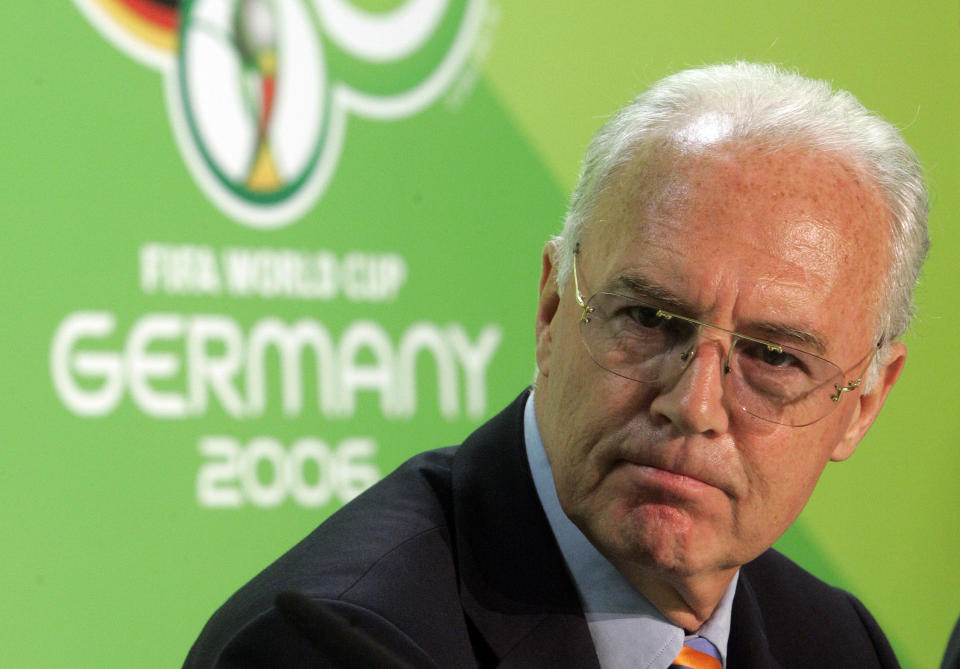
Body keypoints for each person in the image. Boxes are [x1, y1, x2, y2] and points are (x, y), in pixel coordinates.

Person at [184, 62, 929, 668]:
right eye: (649, 318)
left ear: (862, 402)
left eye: (772, 356)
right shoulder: (337, 647)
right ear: (551, 309)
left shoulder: (836, 643)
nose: (695, 404)